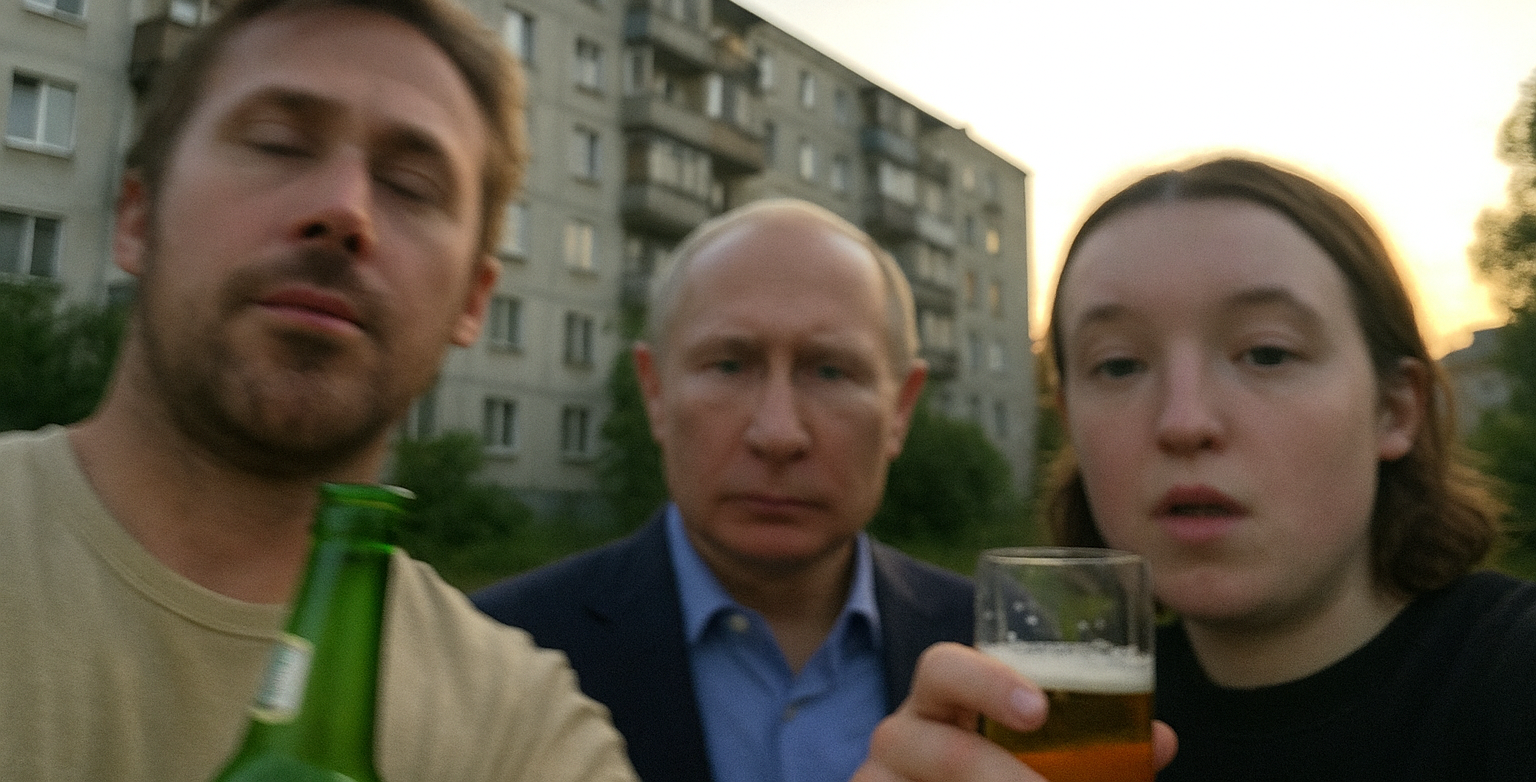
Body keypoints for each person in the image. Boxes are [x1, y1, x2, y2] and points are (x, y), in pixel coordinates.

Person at [0, 0, 637, 782]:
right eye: (277, 144)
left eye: (410, 184)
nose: (344, 210)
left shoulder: (523, 731)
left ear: (473, 301)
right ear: (137, 218)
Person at [853, 154, 1536, 782]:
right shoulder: (1030, 727)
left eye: (1267, 353)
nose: (1183, 422)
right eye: (1119, 364)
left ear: (1396, 410)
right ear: (1069, 422)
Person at [474, 199, 976, 782]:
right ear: (655, 393)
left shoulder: (995, 656)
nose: (778, 434)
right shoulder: (494, 657)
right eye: (729, 366)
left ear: (901, 409)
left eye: (830, 371)